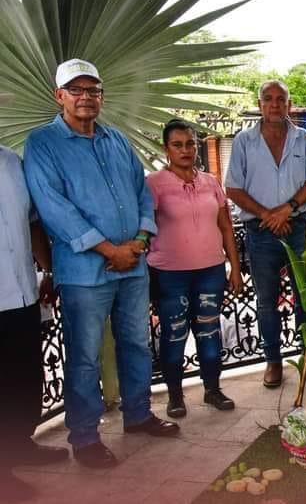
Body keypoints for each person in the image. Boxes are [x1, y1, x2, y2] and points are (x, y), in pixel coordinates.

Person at [23, 59, 179, 469]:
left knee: (137, 343)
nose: (86, 97)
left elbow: (142, 191)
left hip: (133, 263)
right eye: (77, 90)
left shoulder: (117, 140)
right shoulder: (42, 143)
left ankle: (139, 414)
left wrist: (141, 239)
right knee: (85, 355)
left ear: (101, 96)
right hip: (83, 272)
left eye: (93, 90)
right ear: (60, 96)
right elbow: (53, 208)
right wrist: (110, 250)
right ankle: (86, 437)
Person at [225, 80, 306, 389]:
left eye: (281, 99)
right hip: (260, 231)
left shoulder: (304, 139)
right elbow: (233, 188)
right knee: (266, 300)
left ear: (289, 104)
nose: (275, 104)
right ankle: (273, 360)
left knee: (305, 297)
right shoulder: (243, 141)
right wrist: (269, 215)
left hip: (298, 228)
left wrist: (288, 208)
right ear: (260, 103)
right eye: (268, 99)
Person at [147, 120, 243, 418]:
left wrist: (235, 268)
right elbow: (144, 229)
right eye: (178, 145)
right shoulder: (153, 184)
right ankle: (175, 396)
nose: (186, 150)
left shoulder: (211, 182)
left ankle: (212, 389)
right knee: (174, 335)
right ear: (167, 149)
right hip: (169, 275)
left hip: (210, 271)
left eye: (190, 143)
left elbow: (226, 226)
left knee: (209, 332)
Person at [0, 143, 67, 501]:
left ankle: (18, 444)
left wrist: (48, 269)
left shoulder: (12, 162)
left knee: (24, 376)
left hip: (21, 292)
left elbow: (32, 223)